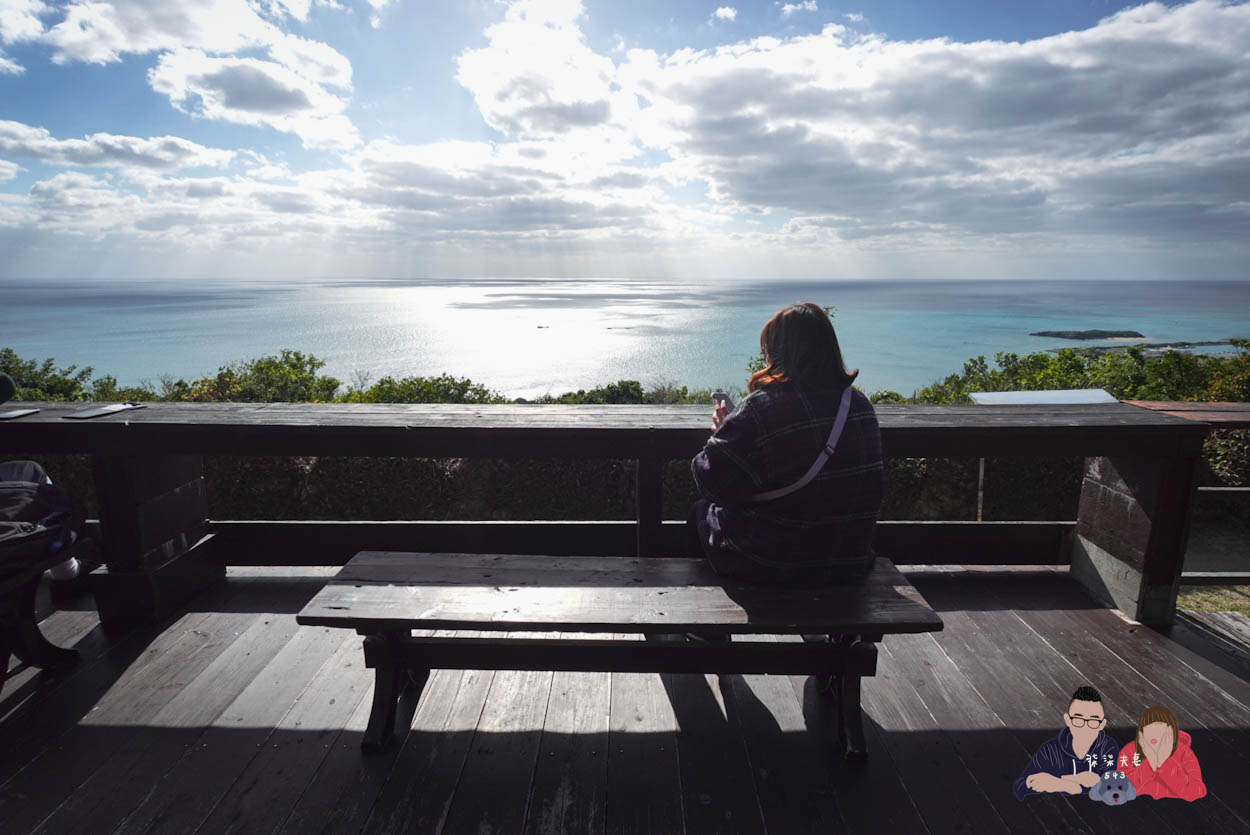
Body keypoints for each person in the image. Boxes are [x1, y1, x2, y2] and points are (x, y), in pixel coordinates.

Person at [688, 302, 883, 585]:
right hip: (846, 560)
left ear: (782, 354)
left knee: (701, 513)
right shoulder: (858, 404)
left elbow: (713, 483)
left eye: (768, 352)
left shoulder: (764, 407)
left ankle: (705, 627)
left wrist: (721, 433)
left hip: (775, 562)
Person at [1014, 685, 1120, 799]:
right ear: (1068, 720)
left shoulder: (1108, 748)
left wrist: (1061, 783)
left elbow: (1113, 789)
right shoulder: (1050, 750)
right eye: (1078, 719)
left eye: (1093, 721)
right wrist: (1069, 784)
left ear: (1102, 724)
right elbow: (1020, 787)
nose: (1085, 727)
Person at [1117, 705, 1206, 801]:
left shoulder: (1184, 752)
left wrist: (1165, 761)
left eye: (1158, 727)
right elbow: (1119, 789)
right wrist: (1150, 763)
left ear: (1171, 731)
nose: (1153, 734)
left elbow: (1196, 792)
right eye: (1148, 728)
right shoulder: (1130, 751)